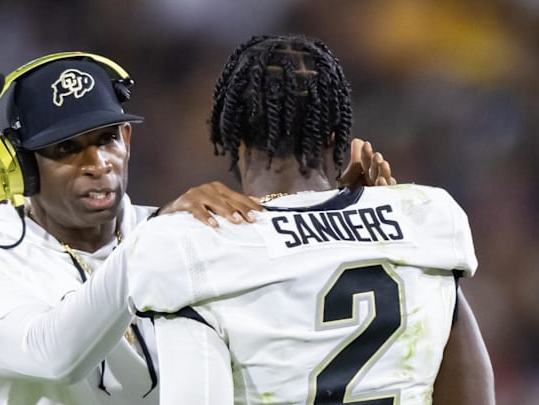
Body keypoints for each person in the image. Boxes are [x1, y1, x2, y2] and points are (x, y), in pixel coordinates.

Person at [0, 52, 395, 405]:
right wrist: (155, 242)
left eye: (107, 138)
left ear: (126, 140)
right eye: (66, 148)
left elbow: (294, 323)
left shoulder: (177, 228)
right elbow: (52, 354)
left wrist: (335, 224)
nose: (97, 164)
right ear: (18, 164)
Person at [124, 34, 495, 405]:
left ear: (231, 135)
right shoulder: (425, 217)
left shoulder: (193, 242)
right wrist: (386, 226)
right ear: (335, 135)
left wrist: (162, 219)